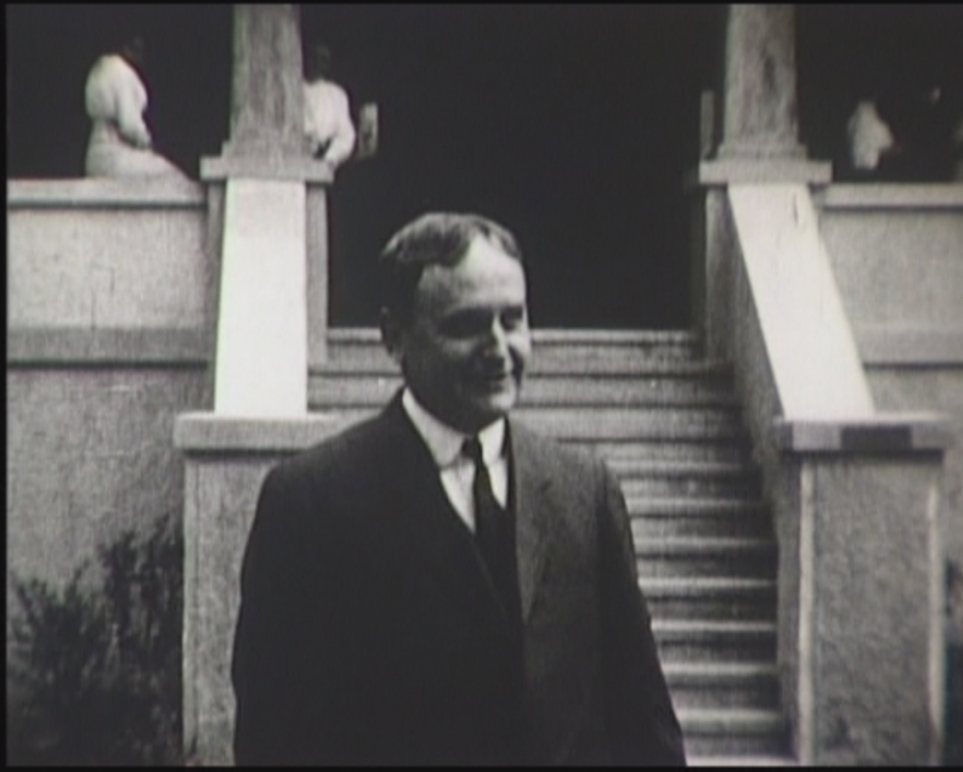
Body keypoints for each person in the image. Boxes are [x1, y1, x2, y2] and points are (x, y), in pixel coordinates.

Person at [231, 212, 686, 765]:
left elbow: (644, 720)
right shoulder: (311, 504)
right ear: (394, 337)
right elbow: (277, 742)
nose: (498, 348)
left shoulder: (584, 491)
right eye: (466, 326)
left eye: (512, 320)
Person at [83, 35, 188, 179]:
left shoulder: (100, 69)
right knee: (172, 176)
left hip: (94, 155)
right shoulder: (121, 71)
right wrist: (147, 143)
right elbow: (129, 124)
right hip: (116, 154)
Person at [303, 43, 357, 171]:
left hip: (324, 163)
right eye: (315, 58)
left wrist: (330, 159)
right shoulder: (294, 88)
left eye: (324, 60)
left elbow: (346, 135)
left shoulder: (337, 94)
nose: (319, 63)